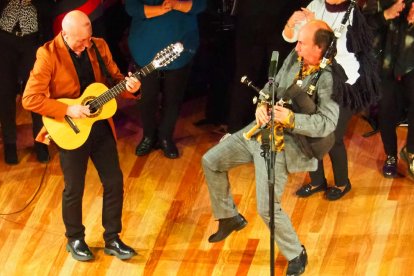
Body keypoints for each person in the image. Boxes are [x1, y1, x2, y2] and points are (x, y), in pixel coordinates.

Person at [202, 20, 339, 276]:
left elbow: (327, 123)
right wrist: (261, 105)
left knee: (266, 208)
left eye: (302, 43)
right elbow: (272, 85)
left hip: (283, 145)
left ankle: (296, 253)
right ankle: (229, 216)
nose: (295, 46)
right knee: (211, 161)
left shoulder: (329, 79)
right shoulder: (295, 57)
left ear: (320, 49)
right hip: (257, 131)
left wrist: (292, 119)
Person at [22, 11, 141, 261]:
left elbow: (117, 80)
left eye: (88, 39)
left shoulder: (98, 45)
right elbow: (30, 99)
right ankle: (75, 238)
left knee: (114, 182)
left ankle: (112, 238)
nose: (86, 44)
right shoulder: (48, 55)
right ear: (65, 34)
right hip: (70, 130)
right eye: (81, 41)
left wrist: (132, 88)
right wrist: (68, 109)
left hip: (98, 127)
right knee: (74, 188)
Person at [283, 0, 380, 200]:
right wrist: (291, 24)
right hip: (311, 77)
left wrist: (316, 26)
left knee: (332, 136)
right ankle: (317, 181)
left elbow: (337, 49)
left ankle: (343, 183)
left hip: (342, 82)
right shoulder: (316, 5)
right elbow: (290, 38)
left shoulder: (354, 13)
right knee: (308, 132)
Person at [125, 0, 206, 159]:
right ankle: (149, 136)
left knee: (173, 97)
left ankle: (165, 136)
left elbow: (201, 4)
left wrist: (176, 5)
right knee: (146, 97)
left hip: (181, 44)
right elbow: (132, 7)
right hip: (145, 46)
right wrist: (161, 9)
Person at [364, 0, 414, 180]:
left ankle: (411, 151)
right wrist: (386, 15)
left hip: (411, 66)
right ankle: (391, 156)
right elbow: (363, 26)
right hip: (385, 65)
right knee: (386, 112)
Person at [0, 0, 53, 164]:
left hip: (33, 41)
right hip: (4, 40)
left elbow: (50, 8)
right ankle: (9, 143)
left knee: (36, 93)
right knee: (5, 92)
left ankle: (41, 142)